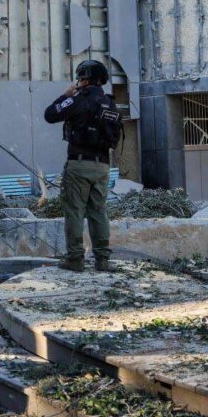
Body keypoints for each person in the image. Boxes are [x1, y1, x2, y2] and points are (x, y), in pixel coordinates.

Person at [43, 59, 123, 272]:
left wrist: (66, 95)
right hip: (103, 166)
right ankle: (103, 260)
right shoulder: (109, 103)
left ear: (86, 79)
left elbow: (50, 114)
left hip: (79, 164)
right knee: (99, 212)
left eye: (81, 78)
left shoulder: (77, 100)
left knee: (75, 211)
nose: (78, 81)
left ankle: (76, 259)